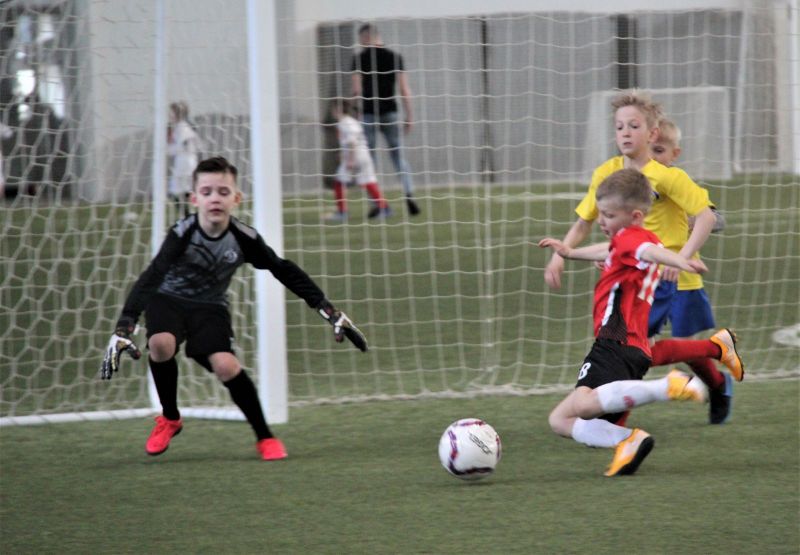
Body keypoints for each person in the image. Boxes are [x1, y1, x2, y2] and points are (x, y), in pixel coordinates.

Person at [100, 156, 368, 460]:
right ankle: (170, 418)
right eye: (207, 192)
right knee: (161, 344)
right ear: (194, 199)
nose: (215, 198)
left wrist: (330, 312)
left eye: (223, 192)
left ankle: (265, 437)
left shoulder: (244, 238)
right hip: (168, 300)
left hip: (209, 306)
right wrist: (125, 325)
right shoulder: (181, 234)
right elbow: (152, 276)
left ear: (236, 199)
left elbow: (283, 270)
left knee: (226, 366)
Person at [542, 90, 744, 426]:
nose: (625, 132)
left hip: (673, 276)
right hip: (633, 279)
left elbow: (706, 216)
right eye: (619, 126)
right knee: (636, 350)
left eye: (633, 126)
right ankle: (716, 368)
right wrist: (561, 255)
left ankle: (619, 421)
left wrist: (680, 257)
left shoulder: (667, 176)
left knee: (637, 351)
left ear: (652, 133)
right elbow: (585, 220)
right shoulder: (607, 173)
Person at [539, 168, 712, 477]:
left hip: (614, 339)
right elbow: (613, 250)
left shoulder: (634, 240)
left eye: (608, 215)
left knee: (584, 406)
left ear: (634, 216)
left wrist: (680, 261)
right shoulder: (630, 240)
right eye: (601, 214)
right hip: (633, 345)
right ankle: (628, 441)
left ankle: (666, 386)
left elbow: (648, 252)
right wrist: (570, 253)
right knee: (560, 420)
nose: (601, 221)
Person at [647, 118, 733, 424]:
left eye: (659, 150)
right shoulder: (637, 183)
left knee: (685, 347)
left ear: (675, 153)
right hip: (647, 280)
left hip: (683, 279)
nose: (652, 156)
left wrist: (694, 220)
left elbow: (716, 218)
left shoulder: (676, 181)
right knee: (638, 348)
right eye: (649, 149)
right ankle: (611, 416)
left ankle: (718, 385)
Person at [351, 23, 420, 217]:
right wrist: (409, 115)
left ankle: (377, 203)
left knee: (369, 160)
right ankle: (409, 193)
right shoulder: (394, 56)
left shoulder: (360, 59)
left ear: (366, 37)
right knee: (398, 156)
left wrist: (354, 113)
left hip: (369, 113)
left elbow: (356, 90)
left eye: (361, 39)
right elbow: (404, 89)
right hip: (390, 111)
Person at [325, 98, 391, 221]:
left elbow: (352, 142)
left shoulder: (345, 123)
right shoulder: (350, 121)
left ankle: (342, 213)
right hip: (364, 156)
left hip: (356, 156)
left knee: (339, 182)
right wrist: (343, 153)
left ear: (338, 109)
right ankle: (385, 208)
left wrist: (350, 159)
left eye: (333, 108)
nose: (332, 111)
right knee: (369, 182)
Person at [167, 101, 203, 217]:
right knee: (184, 191)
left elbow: (183, 147)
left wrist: (168, 145)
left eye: (171, 113)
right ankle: (190, 215)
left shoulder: (182, 128)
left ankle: (190, 215)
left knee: (175, 192)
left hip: (185, 163)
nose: (169, 115)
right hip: (186, 162)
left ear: (177, 114)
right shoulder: (182, 127)